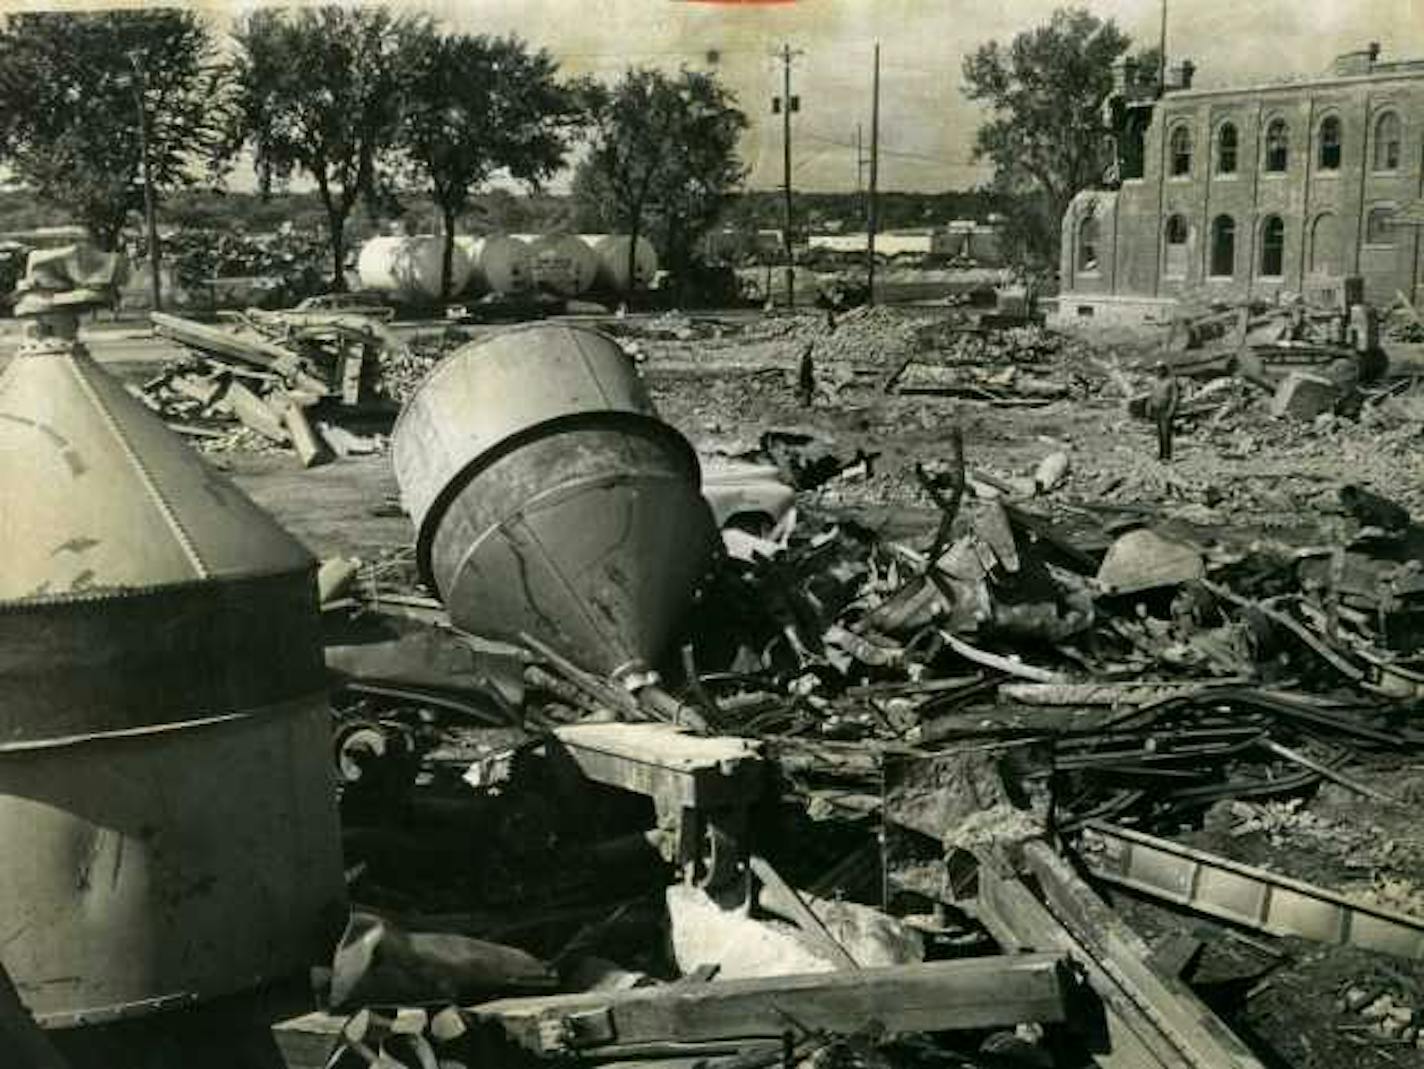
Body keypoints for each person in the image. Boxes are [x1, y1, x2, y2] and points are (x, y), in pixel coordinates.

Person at [1147, 361, 1181, 461]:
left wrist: (1171, 410)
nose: (1158, 371)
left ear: (1164, 370)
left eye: (1160, 369)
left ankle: (1167, 456)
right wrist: (1149, 407)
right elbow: (1151, 395)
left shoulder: (1171, 381)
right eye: (1157, 369)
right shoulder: (1154, 381)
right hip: (1156, 408)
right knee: (1159, 433)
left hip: (1165, 409)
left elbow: (1175, 397)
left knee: (1166, 433)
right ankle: (1161, 454)